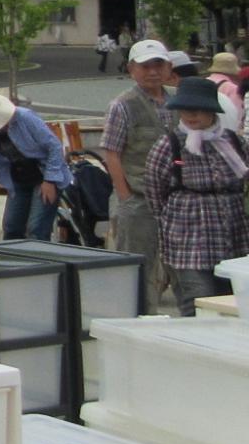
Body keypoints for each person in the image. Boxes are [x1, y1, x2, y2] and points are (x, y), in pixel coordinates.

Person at [147, 76, 249, 317]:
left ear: (211, 111)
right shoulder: (169, 144)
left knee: (232, 306)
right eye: (185, 109)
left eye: (198, 109)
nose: (191, 115)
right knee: (197, 305)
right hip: (188, 243)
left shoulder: (234, 142)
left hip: (232, 238)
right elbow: (154, 193)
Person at [102, 39, 176, 314]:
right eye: (145, 66)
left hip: (175, 198)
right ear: (132, 69)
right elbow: (112, 153)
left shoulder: (178, 100)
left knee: (179, 265)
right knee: (138, 268)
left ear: (169, 68)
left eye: (159, 65)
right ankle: (139, 319)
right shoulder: (122, 105)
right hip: (139, 197)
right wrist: (125, 196)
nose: (153, 72)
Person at [0, 91, 73, 242]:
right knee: (11, 227)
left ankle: (38, 255)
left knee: (36, 228)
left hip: (43, 174)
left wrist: (50, 180)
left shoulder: (25, 118)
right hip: (17, 178)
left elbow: (54, 146)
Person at [208, 51, 245, 132]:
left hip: (205, 128)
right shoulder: (232, 88)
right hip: (224, 131)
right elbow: (237, 115)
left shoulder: (203, 82)